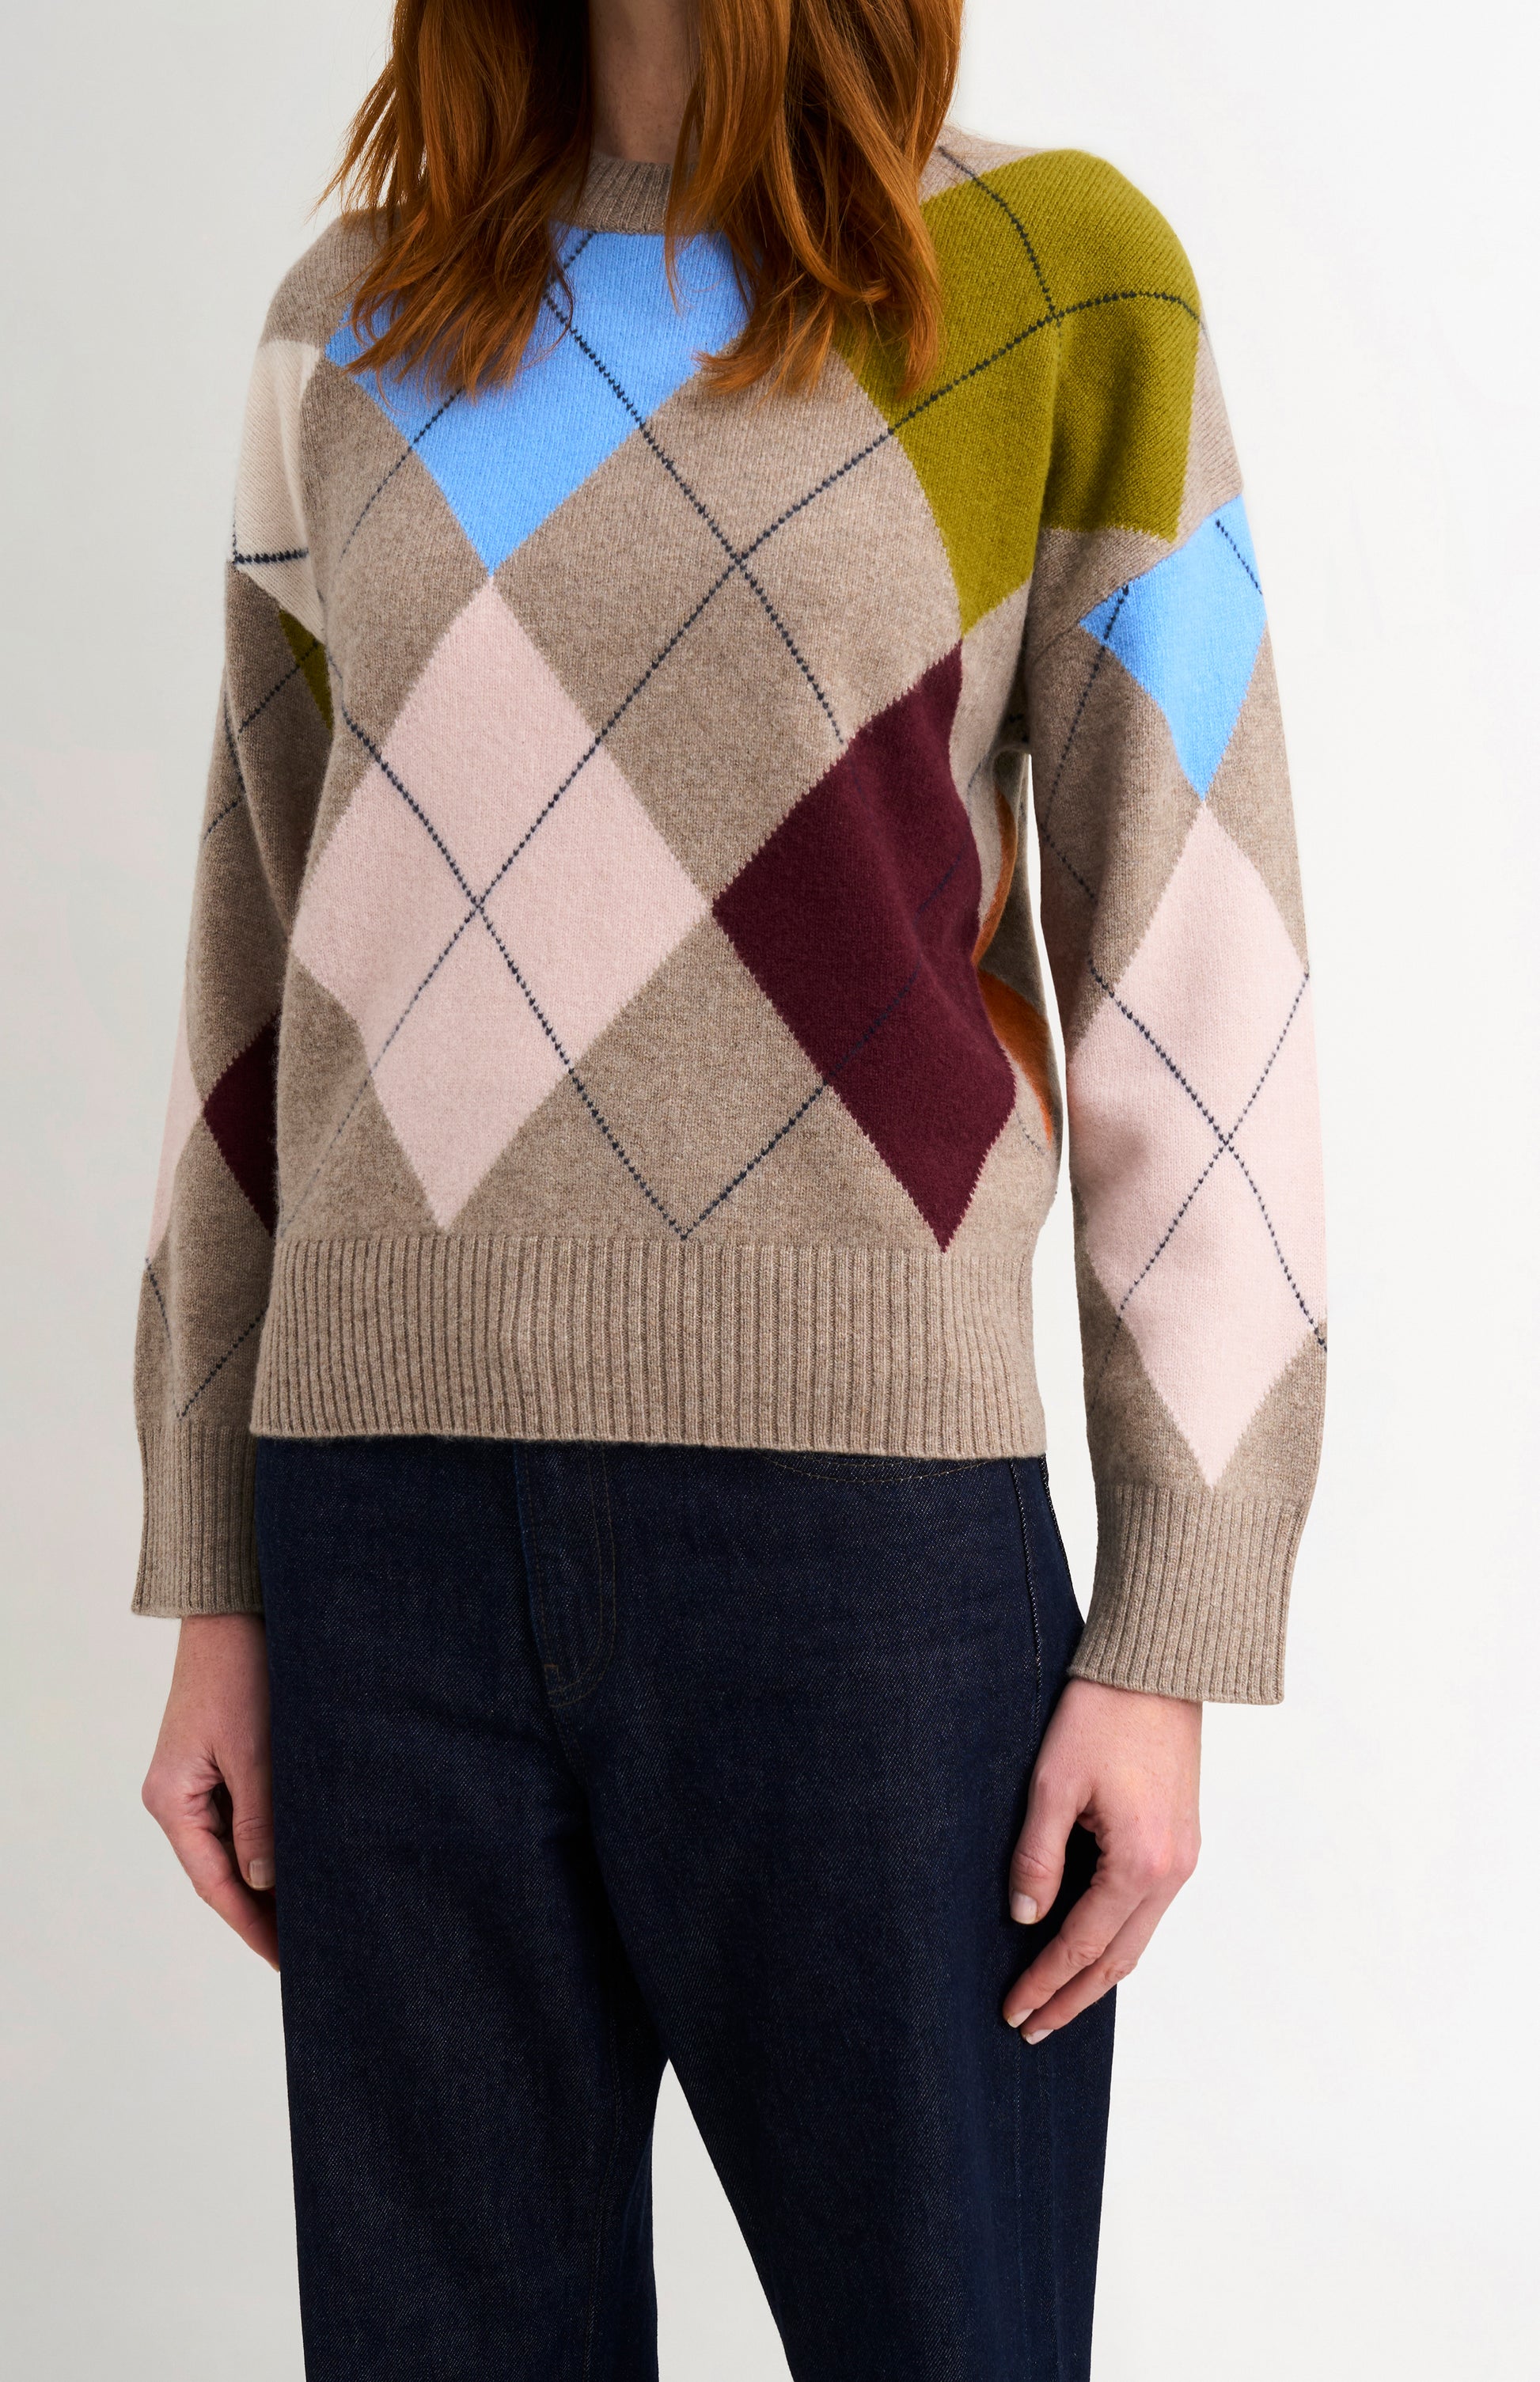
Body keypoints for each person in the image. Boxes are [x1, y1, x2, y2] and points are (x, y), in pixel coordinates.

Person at [135, 1, 1326, 2373]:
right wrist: (217, 1569)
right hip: (384, 1548)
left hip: (866, 1563)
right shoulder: (345, 327)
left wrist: (1173, 1622)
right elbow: (255, 977)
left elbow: (1200, 974)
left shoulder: (1054, 285)